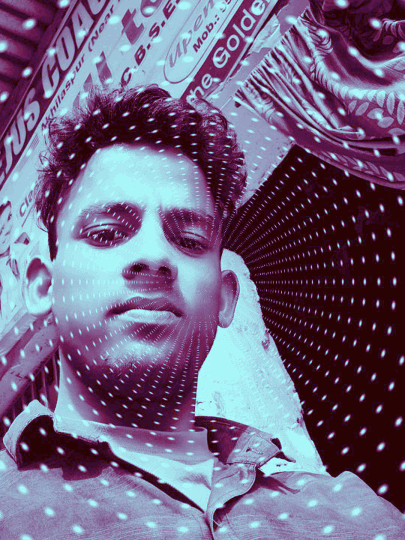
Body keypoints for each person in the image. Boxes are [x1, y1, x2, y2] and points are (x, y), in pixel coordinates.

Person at [0, 86, 403, 539]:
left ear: (225, 300)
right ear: (44, 285)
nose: (155, 256)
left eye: (190, 241)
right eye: (107, 233)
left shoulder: (352, 510)